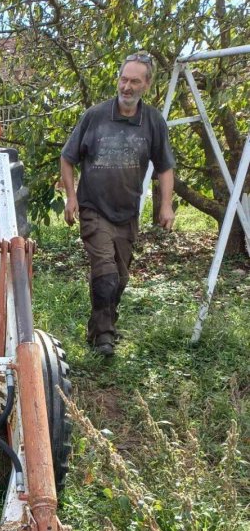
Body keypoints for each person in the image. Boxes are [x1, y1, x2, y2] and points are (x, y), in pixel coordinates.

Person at [60, 53, 176, 356]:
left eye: (135, 81)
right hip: (94, 208)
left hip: (127, 213)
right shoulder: (95, 116)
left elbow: (164, 167)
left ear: (146, 85)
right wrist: (71, 198)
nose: (127, 86)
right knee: (106, 273)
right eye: (124, 79)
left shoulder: (152, 121)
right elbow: (68, 158)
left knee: (119, 279)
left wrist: (166, 205)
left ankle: (99, 326)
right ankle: (104, 338)